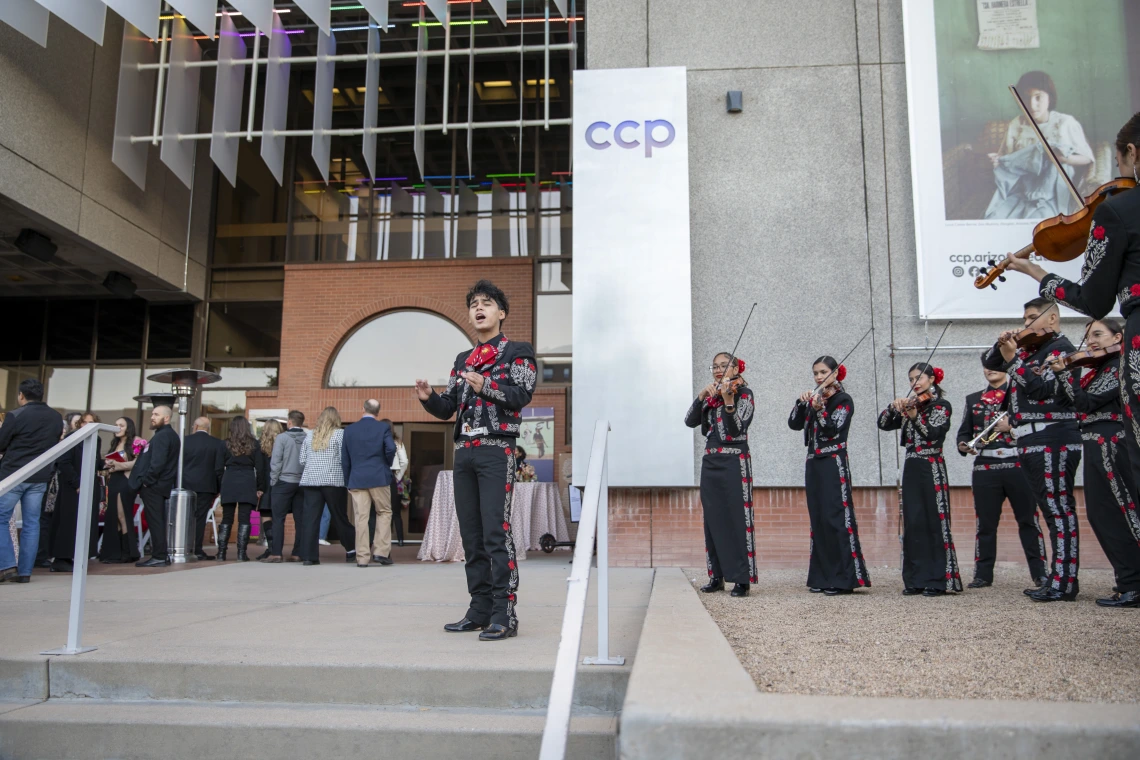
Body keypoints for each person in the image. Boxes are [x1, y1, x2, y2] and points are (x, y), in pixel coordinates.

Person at [998, 112, 1140, 605]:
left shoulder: (1119, 213)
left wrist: (1037, 271)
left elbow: (1094, 299)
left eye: (1120, 163)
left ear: (1133, 155)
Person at [416, 280, 536, 641]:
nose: (479, 308)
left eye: (487, 303)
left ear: (501, 312)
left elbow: (521, 395)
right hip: (464, 452)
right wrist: (428, 398)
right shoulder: (462, 360)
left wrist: (488, 388)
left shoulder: (517, 351)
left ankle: (504, 612)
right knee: (471, 536)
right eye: (474, 304)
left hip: (497, 450)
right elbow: (448, 408)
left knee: (495, 532)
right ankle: (479, 608)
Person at [982, 298, 1082, 601]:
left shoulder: (1062, 350)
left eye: (1033, 318)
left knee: (1059, 511)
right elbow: (990, 361)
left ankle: (1064, 582)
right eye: (1024, 319)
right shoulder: (1031, 350)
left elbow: (1042, 390)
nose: (1027, 325)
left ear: (1052, 320)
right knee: (1050, 513)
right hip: (1029, 440)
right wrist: (1004, 345)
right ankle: (1058, 577)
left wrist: (1015, 361)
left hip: (1052, 437)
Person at [1045, 319, 1140, 608]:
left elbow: (1086, 403)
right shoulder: (1096, 370)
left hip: (1111, 443)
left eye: (1098, 334)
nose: (1091, 342)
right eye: (1088, 337)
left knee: (1119, 511)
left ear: (1119, 336)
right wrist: (1064, 373)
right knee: (1102, 514)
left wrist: (1066, 373)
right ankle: (1129, 581)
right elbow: (1065, 402)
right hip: (1096, 444)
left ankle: (1134, 585)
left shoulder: (1119, 366)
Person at [955, 367, 1046, 589]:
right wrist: (963, 444)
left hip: (1018, 465)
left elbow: (1036, 427)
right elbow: (965, 431)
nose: (989, 370)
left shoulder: (1020, 395)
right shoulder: (973, 399)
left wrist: (1011, 428)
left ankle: (1040, 573)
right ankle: (983, 575)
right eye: (986, 366)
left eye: (995, 366)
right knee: (985, 524)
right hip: (985, 467)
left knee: (1028, 521)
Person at [878, 363, 962, 596]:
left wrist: (915, 417)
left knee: (934, 521)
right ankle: (915, 579)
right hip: (912, 466)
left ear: (932, 380)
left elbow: (934, 434)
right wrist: (893, 407)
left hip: (931, 465)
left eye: (919, 378)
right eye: (911, 379)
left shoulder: (941, 406)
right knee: (913, 523)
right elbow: (883, 424)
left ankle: (938, 580)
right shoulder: (910, 406)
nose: (915, 382)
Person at [788, 356, 869, 595]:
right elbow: (793, 424)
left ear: (835, 373)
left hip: (834, 462)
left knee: (837, 518)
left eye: (823, 372)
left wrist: (819, 410)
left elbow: (833, 430)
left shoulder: (843, 400)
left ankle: (844, 579)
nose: (819, 377)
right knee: (819, 520)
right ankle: (823, 577)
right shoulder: (815, 398)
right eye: (815, 373)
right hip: (814, 463)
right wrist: (800, 403)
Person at [685, 353, 756, 598]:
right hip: (711, 459)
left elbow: (737, 428)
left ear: (736, 368)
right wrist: (701, 397)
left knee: (737, 518)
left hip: (735, 459)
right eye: (714, 366)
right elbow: (689, 421)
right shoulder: (712, 395)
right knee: (712, 519)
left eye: (724, 366)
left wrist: (728, 402)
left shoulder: (744, 394)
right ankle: (716, 576)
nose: (718, 370)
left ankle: (741, 580)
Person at [984, 70, 1094, 220]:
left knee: (1039, 221)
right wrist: (997, 160)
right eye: (1026, 98)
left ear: (1050, 97)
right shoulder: (1016, 124)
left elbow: (1087, 158)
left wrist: (1064, 159)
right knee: (996, 219)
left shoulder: (1065, 123)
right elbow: (1008, 160)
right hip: (1020, 191)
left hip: (1051, 193)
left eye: (1038, 97)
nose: (1032, 104)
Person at [0, 379, 64, 583]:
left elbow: (1, 444)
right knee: (32, 523)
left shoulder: (15, 415)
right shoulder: (56, 417)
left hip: (13, 475)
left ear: (21, 395)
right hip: (39, 476)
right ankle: (26, 571)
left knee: (0, 519)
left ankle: (7, 565)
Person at [342, 400, 397, 568]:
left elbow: (344, 458)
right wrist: (385, 464)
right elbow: (391, 449)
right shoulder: (383, 428)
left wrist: (347, 480)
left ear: (363, 409)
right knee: (384, 512)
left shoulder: (349, 430)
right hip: (379, 476)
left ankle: (362, 558)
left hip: (357, 478)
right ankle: (381, 552)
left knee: (361, 517)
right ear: (378, 412)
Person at [129, 405, 181, 568]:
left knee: (156, 521)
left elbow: (158, 463)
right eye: (152, 414)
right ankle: (160, 555)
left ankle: (159, 555)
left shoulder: (163, 436)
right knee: (156, 520)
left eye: (156, 414)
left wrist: (146, 481)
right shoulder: (167, 435)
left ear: (166, 418)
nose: (152, 417)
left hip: (154, 486)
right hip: (158, 485)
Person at [50, 414, 102, 572]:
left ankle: (76, 556)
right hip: (73, 488)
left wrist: (106, 463)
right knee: (69, 521)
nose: (87, 425)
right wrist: (77, 483)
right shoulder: (72, 437)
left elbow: (94, 461)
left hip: (88, 485)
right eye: (84, 422)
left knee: (85, 521)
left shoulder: (96, 439)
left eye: (91, 422)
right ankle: (61, 558)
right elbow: (64, 462)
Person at [299, 407, 351, 565]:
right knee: (339, 516)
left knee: (310, 519)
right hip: (333, 481)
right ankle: (352, 549)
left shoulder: (310, 435)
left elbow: (302, 460)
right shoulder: (340, 434)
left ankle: (308, 556)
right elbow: (344, 459)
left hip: (310, 481)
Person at [217, 416, 267, 562]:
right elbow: (260, 468)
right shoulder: (254, 445)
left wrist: (222, 483)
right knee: (245, 518)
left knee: (227, 517)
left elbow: (218, 468)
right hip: (247, 480)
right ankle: (241, 553)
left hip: (229, 479)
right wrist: (260, 487)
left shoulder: (224, 444)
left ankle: (221, 553)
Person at [98, 417, 145, 564]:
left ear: (128, 427)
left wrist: (117, 465)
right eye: (116, 425)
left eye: (121, 425)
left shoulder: (137, 441)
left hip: (126, 481)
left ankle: (129, 551)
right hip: (114, 481)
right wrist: (109, 464)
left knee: (122, 515)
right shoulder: (116, 443)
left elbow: (139, 463)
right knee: (114, 516)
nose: (117, 428)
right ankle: (115, 552)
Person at [180, 416, 225, 561]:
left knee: (184, 517)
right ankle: (197, 549)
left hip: (185, 485)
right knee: (200, 518)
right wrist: (219, 487)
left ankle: (182, 547)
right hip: (206, 486)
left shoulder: (184, 441)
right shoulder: (217, 443)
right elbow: (219, 468)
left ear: (195, 427)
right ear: (208, 428)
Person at [264, 410, 306, 563]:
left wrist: (274, 481)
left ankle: (276, 553)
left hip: (284, 481)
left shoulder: (282, 438)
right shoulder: (308, 437)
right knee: (300, 519)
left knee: (278, 518)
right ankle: (297, 553)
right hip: (302, 483)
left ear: (289, 422)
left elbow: (276, 462)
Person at [254, 420, 283, 560]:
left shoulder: (260, 446)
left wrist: (259, 487)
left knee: (266, 515)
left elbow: (259, 469)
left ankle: (271, 548)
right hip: (281, 484)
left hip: (266, 485)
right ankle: (276, 549)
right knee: (278, 518)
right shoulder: (284, 443)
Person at [384, 421, 409, 547]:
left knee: (382, 511)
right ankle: (400, 540)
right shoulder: (397, 442)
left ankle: (383, 540)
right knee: (396, 512)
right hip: (394, 477)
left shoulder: (379, 440)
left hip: (381, 476)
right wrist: (398, 477)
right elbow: (404, 461)